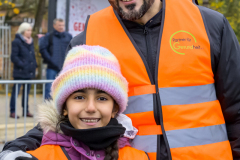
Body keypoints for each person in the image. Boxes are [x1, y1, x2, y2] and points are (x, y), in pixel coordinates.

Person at [1, 0, 240, 159]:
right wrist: (17, 148)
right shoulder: (88, 38)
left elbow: (237, 109)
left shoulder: (210, 25)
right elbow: (64, 112)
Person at [1, 45, 149, 160]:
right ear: (64, 107)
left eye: (102, 98)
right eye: (79, 97)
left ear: (114, 109)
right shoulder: (39, 157)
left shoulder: (138, 157)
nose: (90, 108)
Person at [39, 18, 72, 100]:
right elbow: (43, 49)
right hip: (52, 68)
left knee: (65, 89)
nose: (61, 27)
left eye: (63, 25)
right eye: (59, 25)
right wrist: (50, 60)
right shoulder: (49, 36)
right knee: (49, 89)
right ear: (54, 26)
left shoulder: (69, 37)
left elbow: (72, 49)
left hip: (65, 68)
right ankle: (47, 110)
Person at [9, 22, 36, 118]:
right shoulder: (17, 42)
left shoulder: (31, 41)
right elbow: (14, 57)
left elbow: (32, 56)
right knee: (15, 93)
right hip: (20, 72)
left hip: (29, 72)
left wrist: (34, 66)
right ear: (23, 31)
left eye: (30, 30)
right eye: (28, 30)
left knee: (26, 93)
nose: (30, 32)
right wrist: (23, 65)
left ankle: (26, 111)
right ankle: (12, 111)